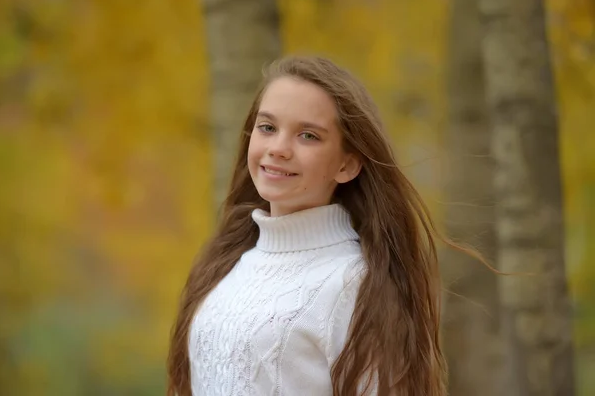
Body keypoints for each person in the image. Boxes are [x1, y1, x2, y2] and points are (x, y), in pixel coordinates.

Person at [167, 55, 448, 396]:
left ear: (347, 165)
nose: (278, 149)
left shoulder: (354, 283)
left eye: (308, 136)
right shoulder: (226, 264)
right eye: (267, 128)